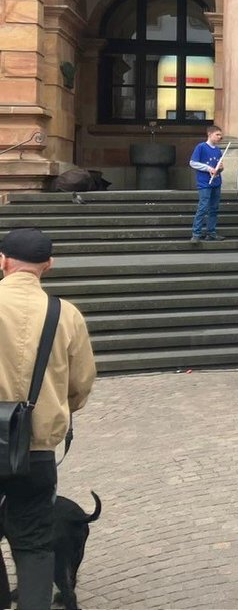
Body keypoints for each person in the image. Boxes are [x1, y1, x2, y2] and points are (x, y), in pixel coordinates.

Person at [0, 228, 96, 610]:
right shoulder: (65, 315)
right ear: (48, 265)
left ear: (2, 261)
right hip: (35, 447)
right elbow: (81, 383)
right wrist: (59, 409)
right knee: (35, 542)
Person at [189, 124, 226, 243]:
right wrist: (208, 168)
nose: (220, 137)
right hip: (204, 182)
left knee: (214, 208)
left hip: (216, 182)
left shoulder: (218, 151)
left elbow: (219, 168)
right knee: (203, 207)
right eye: (217, 134)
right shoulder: (201, 147)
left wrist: (220, 168)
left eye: (220, 135)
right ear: (210, 134)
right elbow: (193, 163)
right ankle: (196, 233)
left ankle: (211, 232)